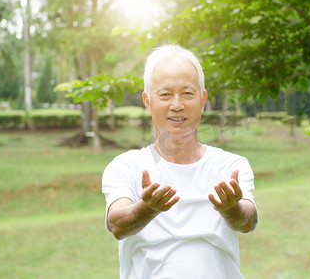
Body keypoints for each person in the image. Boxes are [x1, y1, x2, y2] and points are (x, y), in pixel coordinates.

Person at [102, 44, 258, 279]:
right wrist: (147, 209)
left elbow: (248, 221)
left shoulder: (230, 166)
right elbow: (117, 225)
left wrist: (231, 208)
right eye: (165, 94)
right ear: (147, 101)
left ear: (203, 99)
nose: (177, 104)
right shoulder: (126, 166)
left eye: (187, 93)